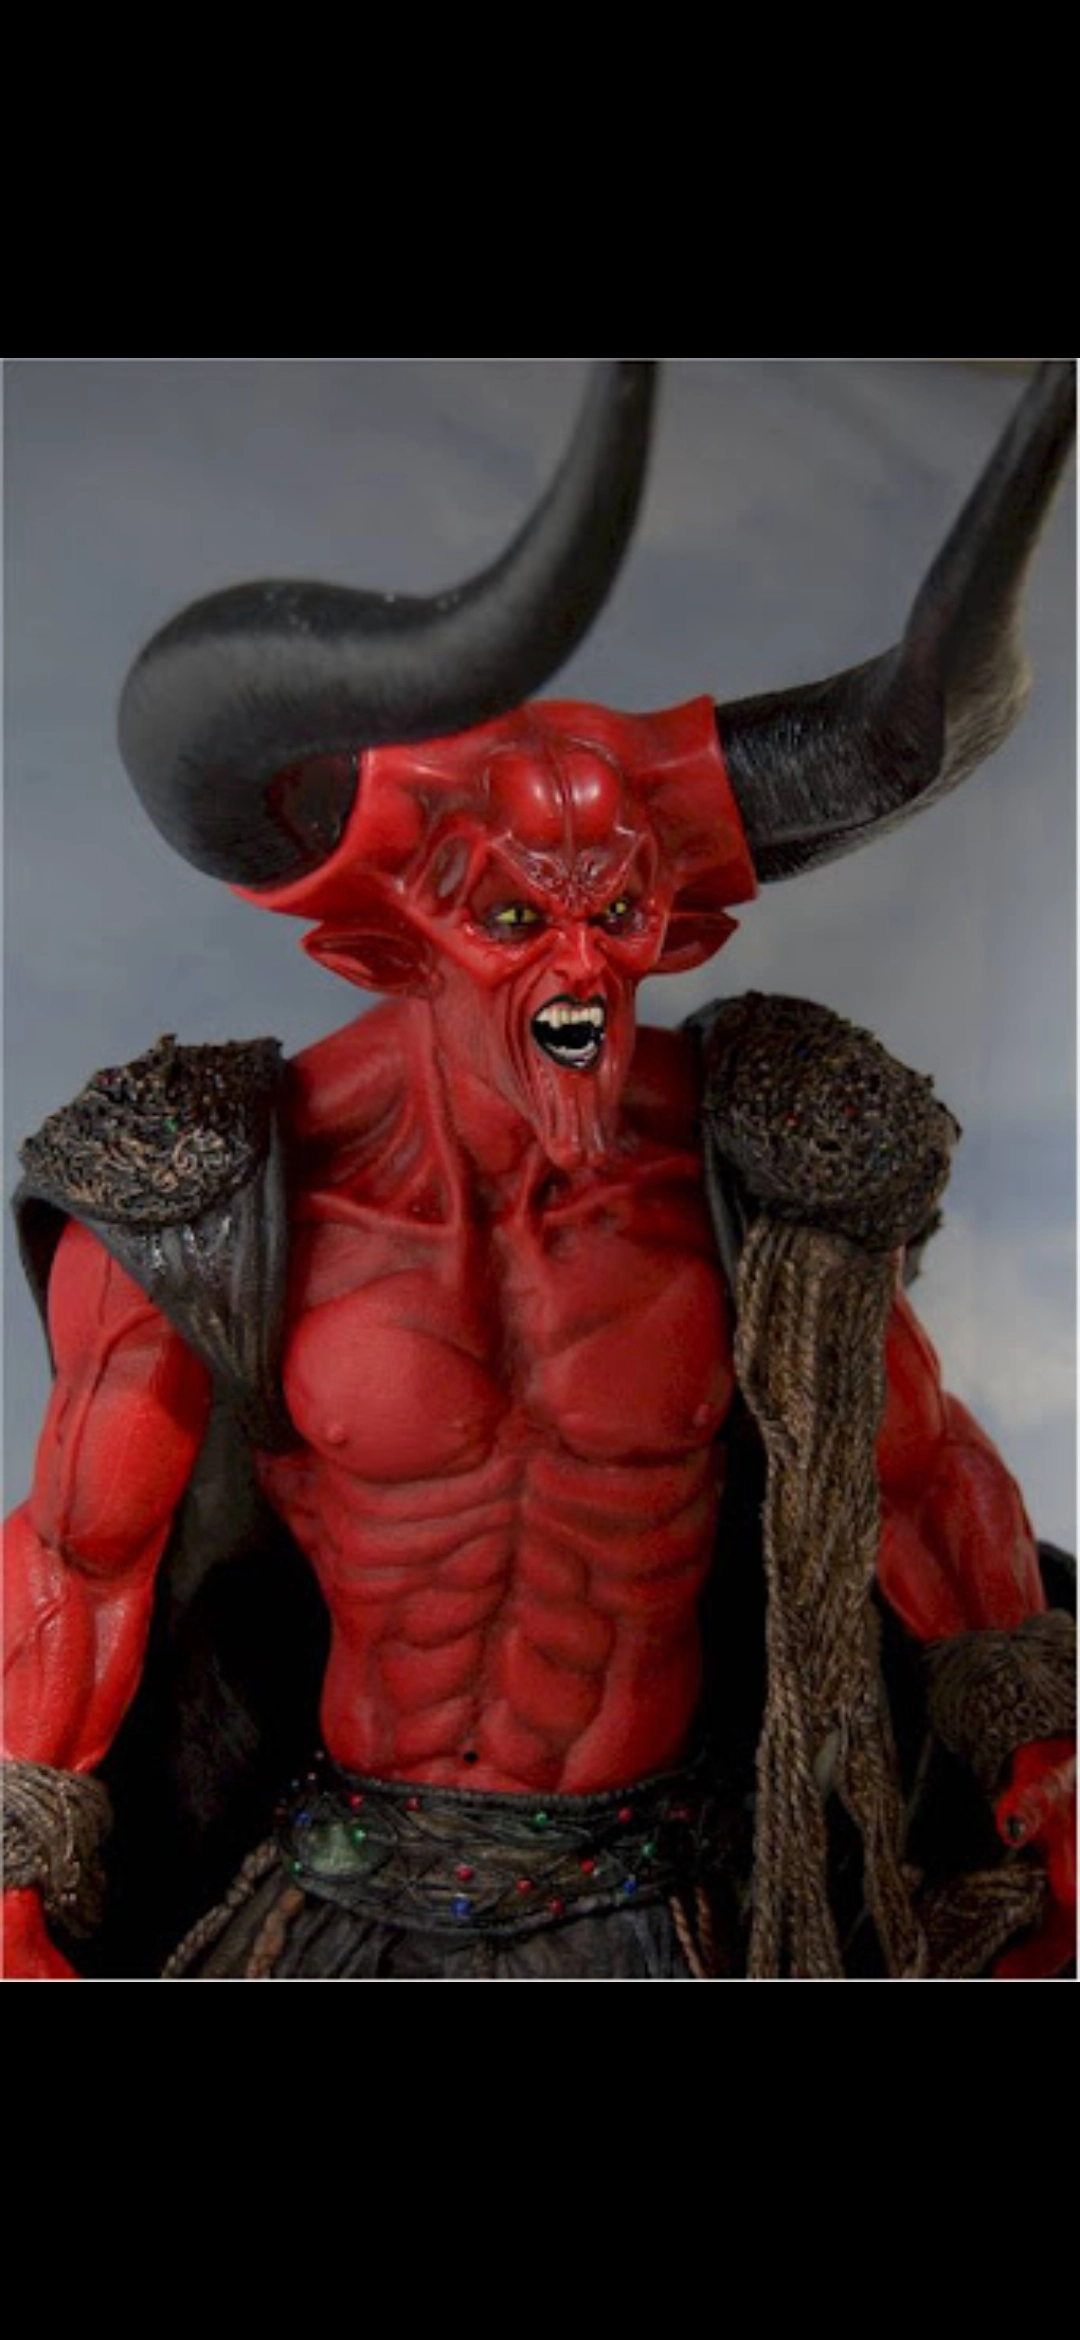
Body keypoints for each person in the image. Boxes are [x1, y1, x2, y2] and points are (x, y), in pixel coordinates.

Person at [3, 361, 1075, 1981]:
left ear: (675, 931)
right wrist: (14, 1874)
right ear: (392, 951)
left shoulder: (753, 1168)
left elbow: (921, 1483)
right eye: (514, 917)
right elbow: (76, 1563)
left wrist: (1047, 1766)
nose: (580, 966)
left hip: (675, 1887)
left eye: (616, 913)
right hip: (352, 1879)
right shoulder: (216, 1194)